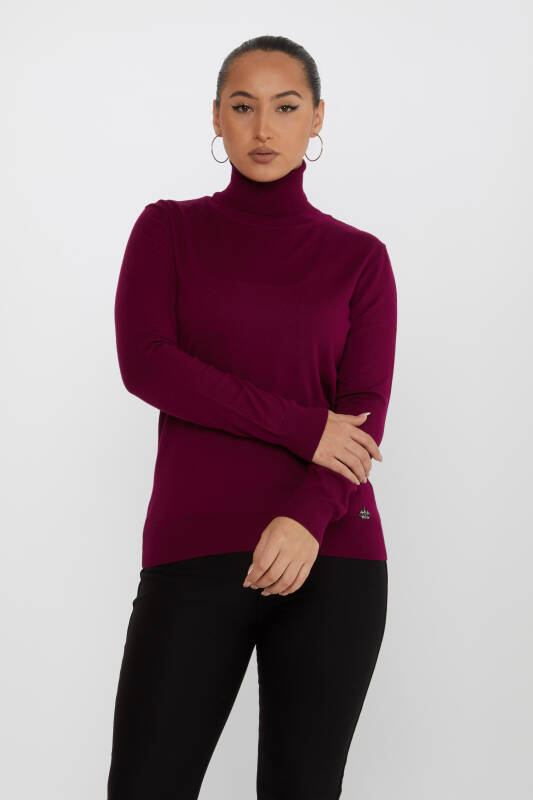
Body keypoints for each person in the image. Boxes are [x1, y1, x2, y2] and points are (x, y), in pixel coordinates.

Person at [107, 34, 397, 800]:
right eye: (243, 107)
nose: (263, 129)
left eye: (285, 107)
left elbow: (362, 417)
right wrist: (303, 426)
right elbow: (148, 365)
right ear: (216, 118)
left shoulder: (360, 258)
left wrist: (305, 517)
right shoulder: (167, 231)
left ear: (317, 118)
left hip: (330, 553)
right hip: (195, 546)